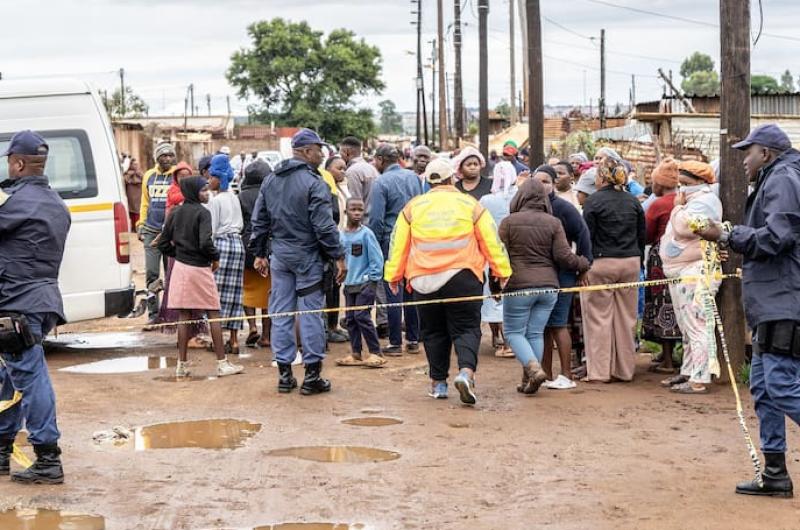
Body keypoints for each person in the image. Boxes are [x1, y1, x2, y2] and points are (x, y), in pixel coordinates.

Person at [694, 124, 800, 497]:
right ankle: (774, 474)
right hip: (773, 300)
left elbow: (777, 237)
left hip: (785, 299)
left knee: (782, 385)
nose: (742, 161)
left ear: (766, 154)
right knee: (764, 389)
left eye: (747, 153)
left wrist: (725, 234)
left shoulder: (782, 179)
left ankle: (774, 475)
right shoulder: (779, 177)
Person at [384, 158, 511, 405]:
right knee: (466, 328)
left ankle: (438, 384)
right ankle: (466, 373)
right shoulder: (470, 205)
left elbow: (398, 245)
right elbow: (491, 241)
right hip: (463, 277)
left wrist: (393, 276)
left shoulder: (412, 208)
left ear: (427, 181)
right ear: (452, 178)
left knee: (432, 332)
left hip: (423, 281)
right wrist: (501, 271)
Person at [251, 128, 345, 395]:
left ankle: (285, 375)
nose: (322, 154)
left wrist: (259, 253)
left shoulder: (271, 180)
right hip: (307, 258)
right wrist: (337, 255)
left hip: (280, 256)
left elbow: (259, 221)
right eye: (318, 149)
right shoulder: (315, 183)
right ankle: (312, 376)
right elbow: (324, 226)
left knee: (280, 313)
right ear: (305, 151)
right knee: (310, 313)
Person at [0, 131, 70, 484]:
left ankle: (48, 457)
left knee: (29, 374)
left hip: (16, 305)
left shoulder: (13, 203)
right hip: (42, 301)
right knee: (8, 375)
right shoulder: (57, 203)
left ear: (19, 162)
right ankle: (1, 448)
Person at [500, 177, 591, 394]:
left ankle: (533, 369)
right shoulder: (553, 222)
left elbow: (498, 257)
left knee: (513, 332)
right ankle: (529, 379)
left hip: (518, 286)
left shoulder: (508, 222)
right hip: (549, 287)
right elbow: (563, 256)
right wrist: (584, 263)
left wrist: (495, 285)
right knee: (535, 333)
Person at [158, 176, 244, 378]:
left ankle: (182, 364)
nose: (207, 193)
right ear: (193, 192)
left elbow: (163, 243)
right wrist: (215, 257)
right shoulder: (203, 213)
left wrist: (178, 254)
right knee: (213, 312)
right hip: (200, 269)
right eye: (203, 190)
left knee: (184, 315)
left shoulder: (176, 212)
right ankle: (222, 363)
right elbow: (205, 242)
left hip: (180, 268)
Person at [658, 160, 722, 394]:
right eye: (680, 184)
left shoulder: (705, 201)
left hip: (696, 272)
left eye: (685, 183)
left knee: (697, 325)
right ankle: (688, 370)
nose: (681, 189)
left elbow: (685, 228)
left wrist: (677, 208)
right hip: (681, 272)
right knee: (687, 326)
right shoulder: (692, 201)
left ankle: (699, 378)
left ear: (700, 182)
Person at [581, 153, 645, 383]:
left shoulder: (593, 201)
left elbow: (587, 237)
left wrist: (584, 266)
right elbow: (641, 235)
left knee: (599, 318)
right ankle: (625, 370)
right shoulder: (633, 201)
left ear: (602, 178)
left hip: (601, 262)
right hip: (630, 263)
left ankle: (599, 372)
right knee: (626, 319)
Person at [533, 166, 594, 389]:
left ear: (553, 184)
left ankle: (566, 374)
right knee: (543, 326)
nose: (541, 185)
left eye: (545, 181)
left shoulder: (563, 208)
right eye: (536, 181)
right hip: (539, 273)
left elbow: (583, 233)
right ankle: (546, 373)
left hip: (563, 272)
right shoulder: (528, 208)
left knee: (558, 323)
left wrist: (585, 265)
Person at [368, 144, 422, 356]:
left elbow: (376, 220)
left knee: (392, 292)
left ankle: (395, 343)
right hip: (413, 239)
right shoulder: (414, 178)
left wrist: (375, 247)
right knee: (411, 290)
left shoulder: (380, 182)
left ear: (381, 160)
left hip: (390, 242)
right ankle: (413, 339)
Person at [642, 158, 682, 375]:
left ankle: (667, 359)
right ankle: (675, 353)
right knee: (678, 303)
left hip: (662, 257)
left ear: (661, 184)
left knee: (662, 304)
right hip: (684, 257)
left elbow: (647, 234)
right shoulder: (684, 200)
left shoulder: (658, 205)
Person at [479, 161, 522, 357]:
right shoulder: (520, 197)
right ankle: (509, 340)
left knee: (493, 296)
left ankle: (502, 340)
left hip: (491, 254)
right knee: (510, 296)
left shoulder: (487, 200)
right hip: (516, 253)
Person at [337, 197, 386, 368]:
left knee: (362, 316)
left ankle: (375, 352)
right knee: (350, 319)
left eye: (360, 210)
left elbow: (376, 259)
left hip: (365, 284)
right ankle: (356, 353)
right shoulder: (341, 235)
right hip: (349, 284)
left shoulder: (367, 234)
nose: (357, 213)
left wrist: (372, 280)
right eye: (353, 209)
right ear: (346, 212)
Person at [206, 154, 245, 355]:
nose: (209, 181)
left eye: (212, 177)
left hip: (221, 246)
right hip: (238, 246)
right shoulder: (234, 198)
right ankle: (235, 340)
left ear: (219, 178)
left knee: (217, 294)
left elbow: (211, 230)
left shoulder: (216, 201)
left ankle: (218, 340)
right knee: (235, 294)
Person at [137, 142, 176, 325]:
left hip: (171, 233)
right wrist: (140, 224)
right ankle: (153, 315)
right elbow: (145, 202)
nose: (167, 159)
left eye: (170, 155)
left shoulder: (176, 176)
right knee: (152, 274)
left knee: (172, 274)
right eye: (164, 155)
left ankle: (171, 314)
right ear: (157, 158)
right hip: (151, 231)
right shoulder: (149, 176)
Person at [239, 159, 272, 348]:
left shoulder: (241, 196)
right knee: (268, 294)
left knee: (247, 290)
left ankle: (252, 326)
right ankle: (266, 335)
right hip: (266, 248)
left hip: (246, 248)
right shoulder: (271, 193)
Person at [340, 136, 379, 205]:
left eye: (341, 152)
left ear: (347, 151)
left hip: (363, 215)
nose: (340, 156)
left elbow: (355, 204)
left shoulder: (352, 172)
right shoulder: (372, 168)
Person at [123, 158, 143, 229]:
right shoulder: (127, 173)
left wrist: (138, 174)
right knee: (131, 212)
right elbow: (124, 181)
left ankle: (138, 227)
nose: (136, 166)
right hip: (130, 197)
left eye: (137, 164)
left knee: (138, 211)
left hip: (138, 196)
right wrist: (130, 174)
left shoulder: (140, 173)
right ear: (130, 165)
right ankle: (133, 227)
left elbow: (145, 179)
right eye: (134, 164)